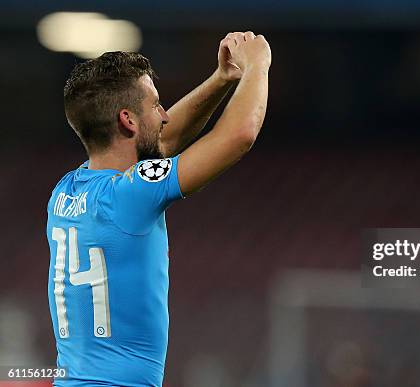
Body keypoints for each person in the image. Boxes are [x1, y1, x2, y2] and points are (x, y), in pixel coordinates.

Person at [46, 31, 271, 386]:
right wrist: (259, 63)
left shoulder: (64, 192)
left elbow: (161, 141)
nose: (165, 114)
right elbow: (238, 135)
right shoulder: (128, 196)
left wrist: (222, 78)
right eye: (155, 105)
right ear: (128, 120)